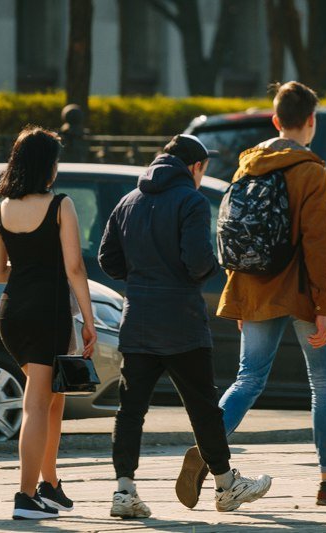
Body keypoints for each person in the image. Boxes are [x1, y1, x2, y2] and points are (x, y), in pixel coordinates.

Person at [177, 81, 326, 507]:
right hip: (299, 292)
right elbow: (318, 245)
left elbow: (231, 234)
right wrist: (323, 306)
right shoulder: (310, 170)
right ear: (310, 121)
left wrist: (239, 297)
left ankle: (210, 447)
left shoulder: (247, 166)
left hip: (255, 289)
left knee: (248, 378)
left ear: (276, 120)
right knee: (325, 382)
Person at [98, 134, 272, 518]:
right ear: (195, 167)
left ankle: (124, 491)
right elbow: (196, 261)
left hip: (139, 320)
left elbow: (108, 259)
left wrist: (142, 277)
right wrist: (209, 270)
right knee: (203, 408)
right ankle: (226, 485)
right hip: (181, 322)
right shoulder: (191, 201)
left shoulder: (128, 201)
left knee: (130, 410)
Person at [0, 125, 97, 520]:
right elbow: (74, 267)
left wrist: (30, 264)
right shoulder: (60, 204)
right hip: (47, 314)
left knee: (53, 398)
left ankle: (49, 484)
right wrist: (89, 319)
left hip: (12, 312)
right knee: (37, 403)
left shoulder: (3, 208)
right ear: (46, 167)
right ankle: (25, 496)